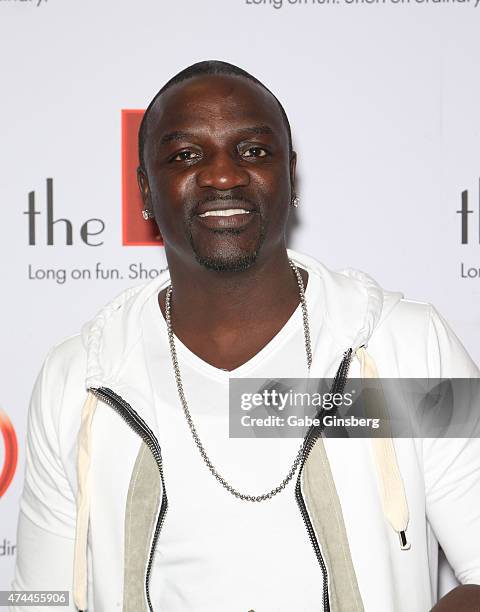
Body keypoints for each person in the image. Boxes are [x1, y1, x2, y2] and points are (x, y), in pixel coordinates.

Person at [11, 60, 480, 612]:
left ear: (291, 175)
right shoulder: (82, 379)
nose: (223, 175)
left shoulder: (401, 347)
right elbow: (38, 600)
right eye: (186, 156)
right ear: (144, 188)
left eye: (253, 151)